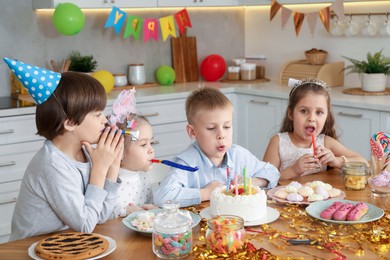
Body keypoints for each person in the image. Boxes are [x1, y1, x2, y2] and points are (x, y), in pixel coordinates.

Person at [4, 58, 124, 241]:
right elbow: (85, 225)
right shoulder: (51, 165)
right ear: (69, 123)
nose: (104, 120)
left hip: (67, 242)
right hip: (29, 249)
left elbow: (100, 216)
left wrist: (113, 165)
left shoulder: (86, 152)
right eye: (98, 114)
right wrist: (100, 169)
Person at [154, 87, 280, 207]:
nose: (221, 135)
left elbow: (272, 172)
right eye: (211, 128)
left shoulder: (238, 155)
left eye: (226, 127)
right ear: (193, 132)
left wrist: (252, 182)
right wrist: (205, 193)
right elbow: (162, 196)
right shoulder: (186, 163)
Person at [263, 78, 367, 180]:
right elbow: (264, 180)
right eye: (304, 111)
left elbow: (364, 163)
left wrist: (336, 161)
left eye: (319, 112)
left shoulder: (325, 142)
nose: (312, 118)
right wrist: (294, 170)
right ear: (291, 113)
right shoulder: (278, 142)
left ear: (327, 116)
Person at [107, 89, 157, 217]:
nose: (151, 150)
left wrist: (151, 209)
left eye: (151, 142)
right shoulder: (109, 180)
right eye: (143, 144)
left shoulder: (144, 176)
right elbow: (101, 212)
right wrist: (125, 211)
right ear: (120, 151)